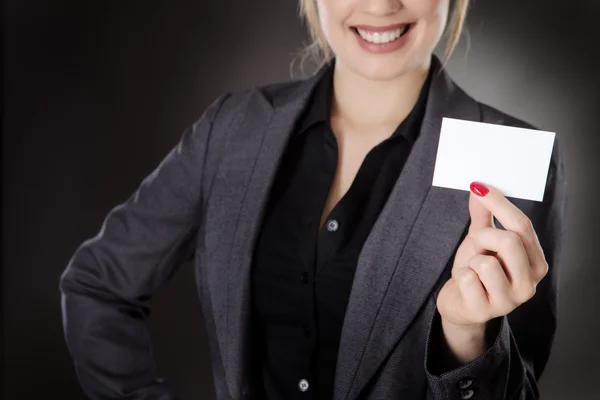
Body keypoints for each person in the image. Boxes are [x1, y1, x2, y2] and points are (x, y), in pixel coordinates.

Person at [60, 0, 567, 399]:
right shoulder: (233, 128)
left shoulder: (513, 163)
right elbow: (96, 285)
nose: (380, 5)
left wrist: (465, 338)